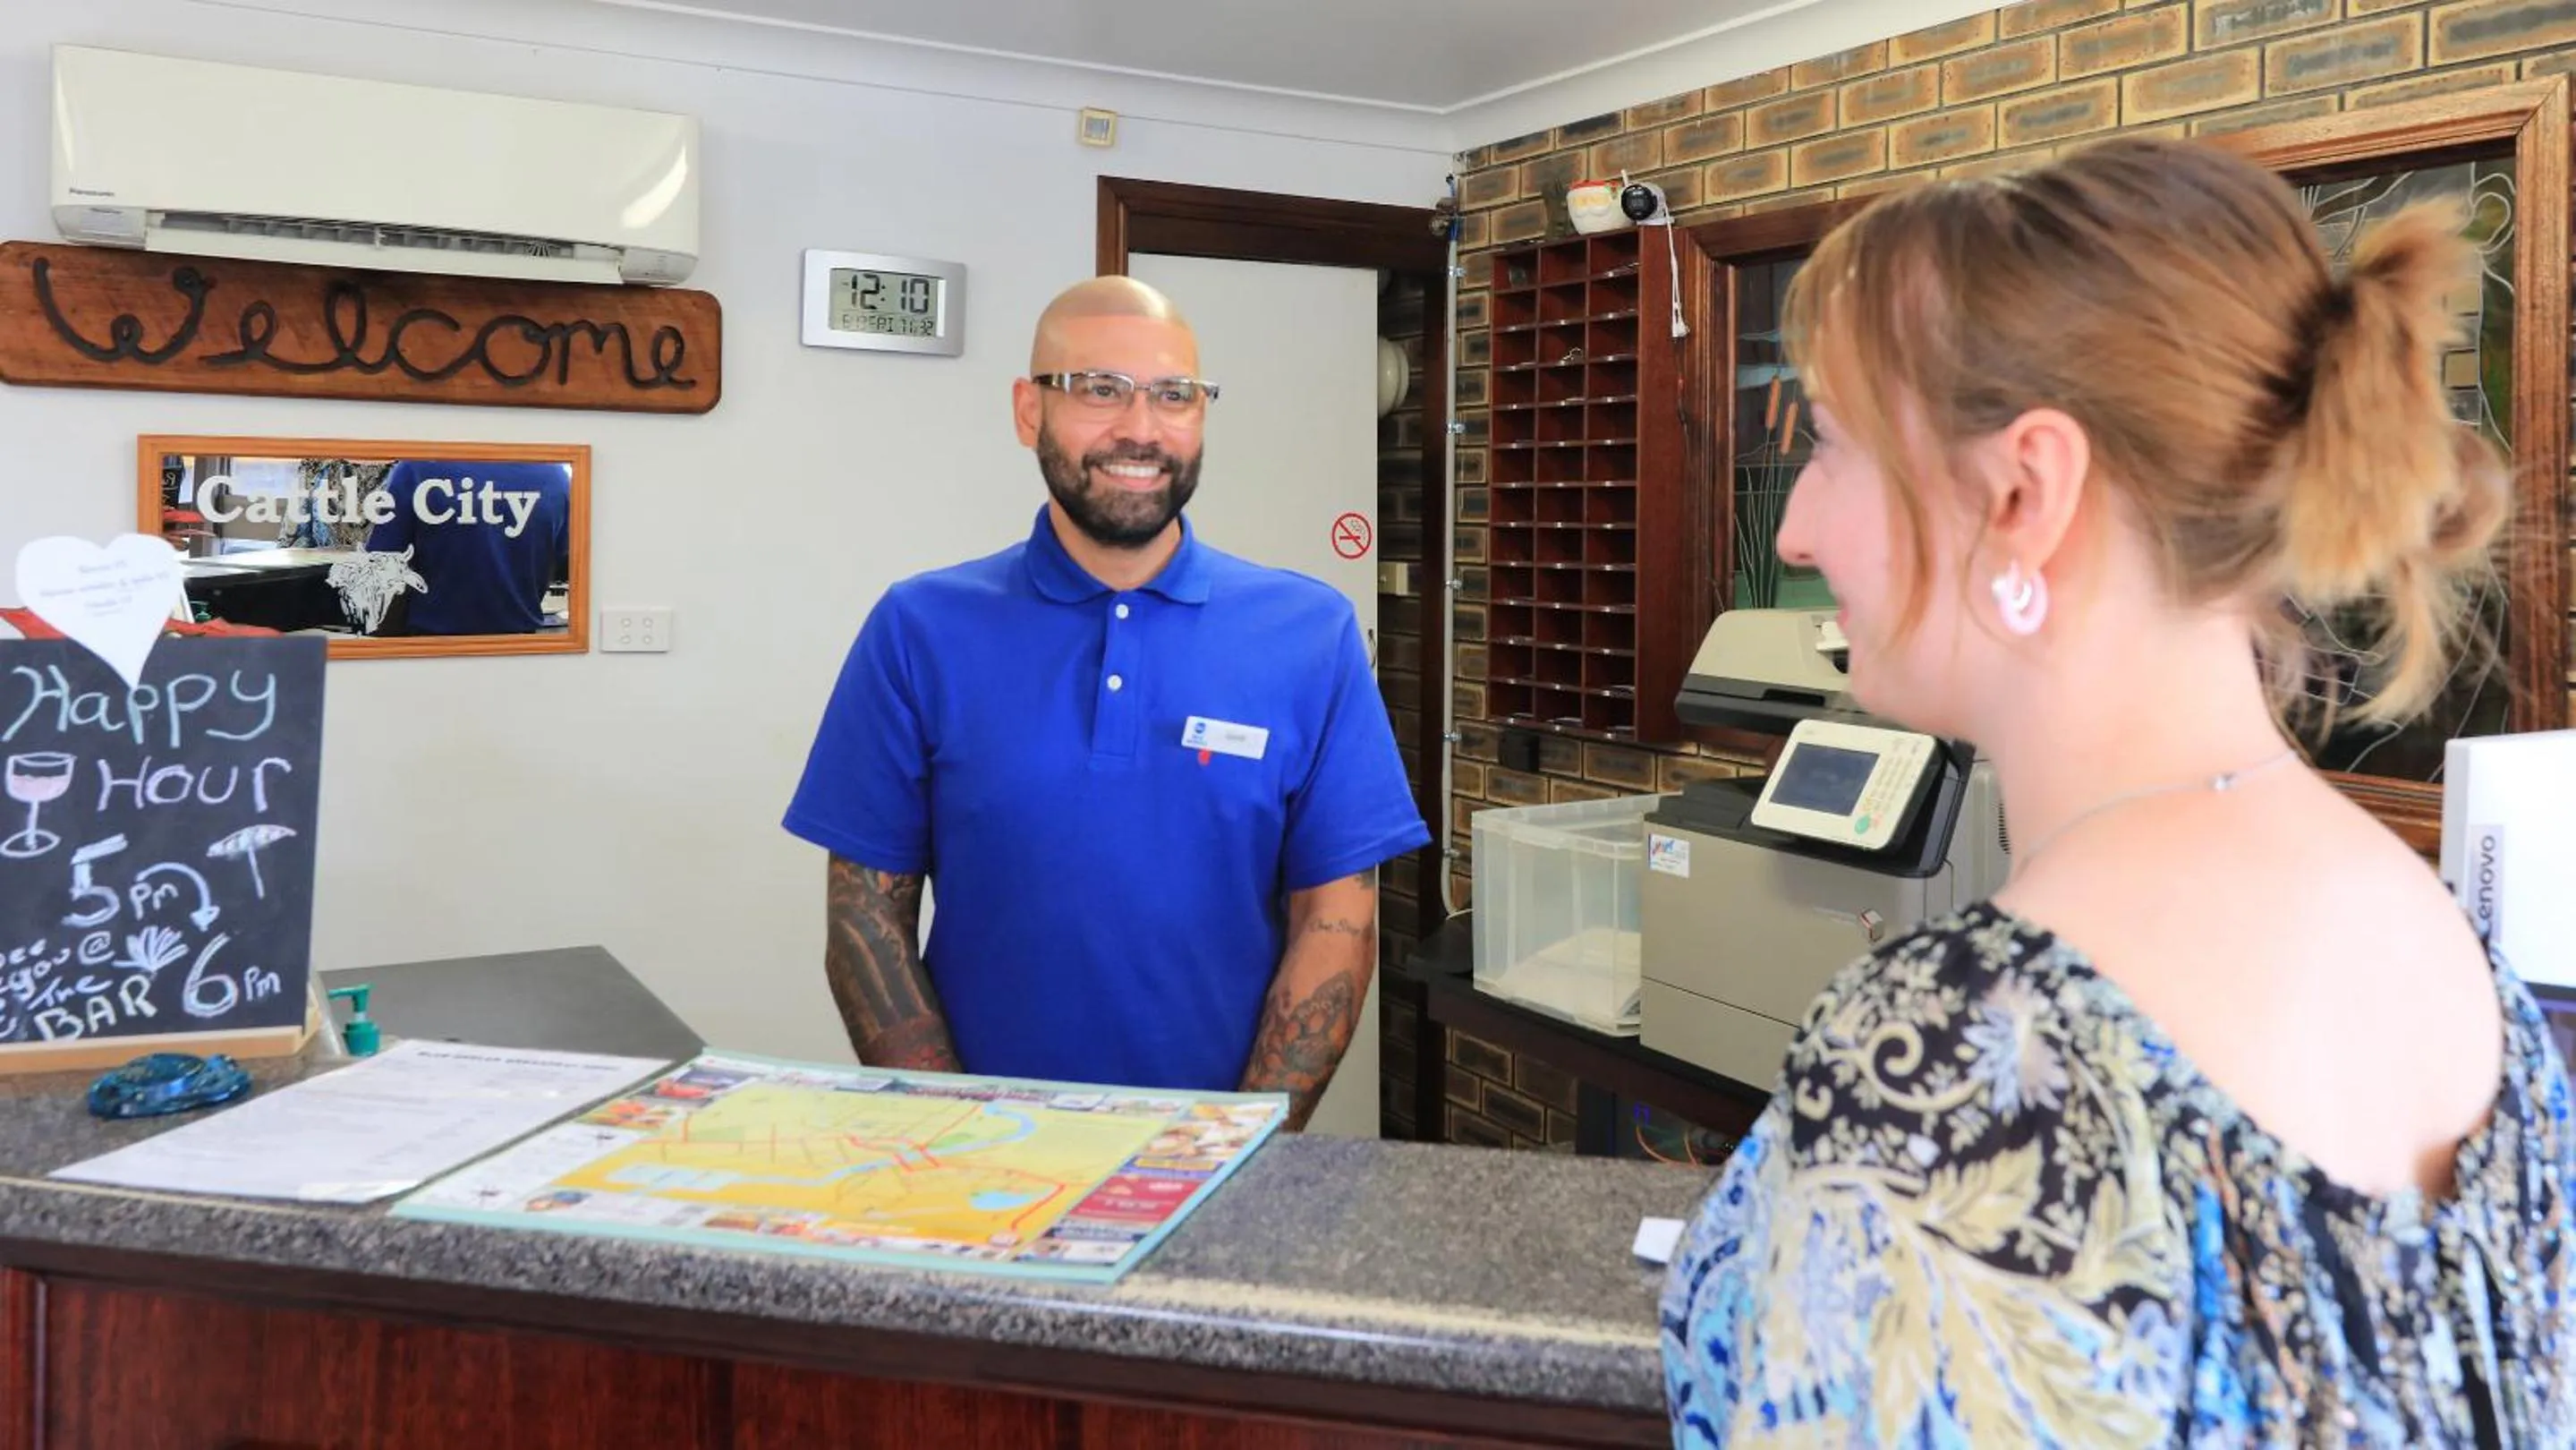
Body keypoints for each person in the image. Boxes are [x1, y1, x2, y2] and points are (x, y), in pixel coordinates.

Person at [1659, 135, 2576, 1445]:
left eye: (1830, 447)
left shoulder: (1959, 1061)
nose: (1795, 531)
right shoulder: (2456, 960)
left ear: (2023, 492)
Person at [781, 276, 1431, 1129]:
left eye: (1174, 395)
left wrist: (1235, 1145)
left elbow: (1336, 918)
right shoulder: (921, 628)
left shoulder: (1309, 633)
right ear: (1028, 411)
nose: (1140, 427)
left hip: (1220, 1155)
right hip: (979, 1158)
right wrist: (953, 1130)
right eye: (1098, 389)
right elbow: (866, 918)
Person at [361, 459, 572, 635]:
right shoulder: (555, 476)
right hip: (521, 649)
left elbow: (382, 574)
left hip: (427, 649)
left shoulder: (419, 467)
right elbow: (561, 560)